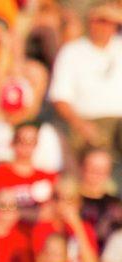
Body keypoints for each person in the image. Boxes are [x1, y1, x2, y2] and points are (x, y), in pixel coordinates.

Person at [49, 1, 122, 163]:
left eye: (110, 21)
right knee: (93, 149)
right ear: (89, 21)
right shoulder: (72, 51)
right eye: (100, 20)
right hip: (87, 121)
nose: (105, 26)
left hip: (120, 122)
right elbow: (60, 98)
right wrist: (80, 124)